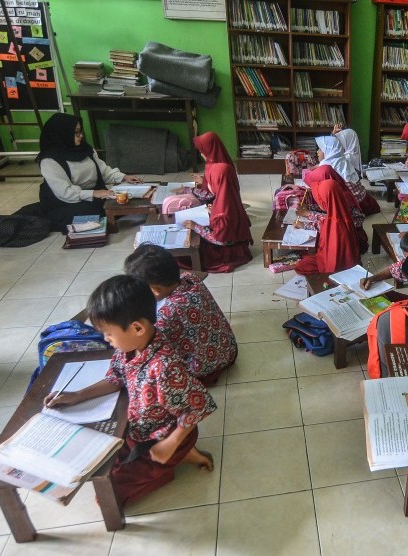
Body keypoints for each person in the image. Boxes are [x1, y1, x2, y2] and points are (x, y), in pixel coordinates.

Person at [43, 275, 216, 506]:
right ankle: (184, 456)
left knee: (108, 497)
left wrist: (171, 443)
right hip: (139, 429)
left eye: (109, 333)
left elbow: (197, 406)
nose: (106, 339)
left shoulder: (165, 368)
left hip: (161, 439)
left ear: (137, 328)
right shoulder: (129, 347)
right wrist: (77, 396)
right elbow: (116, 378)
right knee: (97, 462)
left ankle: (179, 456)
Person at [124, 244, 237, 386]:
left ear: (156, 290)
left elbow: (150, 344)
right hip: (229, 349)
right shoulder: (190, 278)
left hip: (207, 368)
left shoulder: (168, 313)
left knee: (149, 367)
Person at [37, 113, 142, 231]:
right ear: (62, 134)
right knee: (91, 212)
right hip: (65, 201)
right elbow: (65, 193)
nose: (81, 136)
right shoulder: (49, 160)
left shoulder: (85, 149)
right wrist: (94, 193)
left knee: (122, 198)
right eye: (76, 133)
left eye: (80, 131)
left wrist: (124, 177)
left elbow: (103, 171)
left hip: (93, 194)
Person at [181, 162, 253, 273]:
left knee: (183, 258)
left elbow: (220, 240)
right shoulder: (228, 192)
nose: (206, 185)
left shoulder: (223, 212)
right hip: (238, 244)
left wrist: (196, 226)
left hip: (227, 251)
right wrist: (213, 210)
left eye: (209, 182)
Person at [297, 164, 369, 254]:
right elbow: (330, 211)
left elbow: (332, 223)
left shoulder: (341, 197)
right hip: (342, 239)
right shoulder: (335, 190)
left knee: (307, 262)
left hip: (349, 245)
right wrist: (310, 208)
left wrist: (308, 217)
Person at [295, 179, 361, 276]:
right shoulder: (342, 210)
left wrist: (304, 225)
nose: (319, 203)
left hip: (336, 266)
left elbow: (322, 225)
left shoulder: (334, 223)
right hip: (349, 259)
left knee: (301, 265)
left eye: (320, 200)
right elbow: (323, 222)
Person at [315, 135, 380, 215]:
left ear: (328, 150)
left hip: (352, 205)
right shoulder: (340, 159)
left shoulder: (327, 167)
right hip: (363, 200)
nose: (317, 152)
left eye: (320, 149)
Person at [188, 131, 234, 203]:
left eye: (202, 151)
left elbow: (210, 196)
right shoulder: (223, 159)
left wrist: (188, 190)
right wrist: (204, 180)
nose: (201, 154)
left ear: (209, 151)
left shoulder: (217, 169)